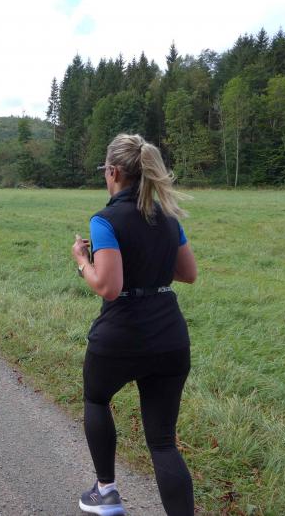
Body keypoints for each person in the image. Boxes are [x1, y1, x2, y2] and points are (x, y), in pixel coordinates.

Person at [71, 133, 198, 516]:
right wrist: (148, 260)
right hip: (169, 337)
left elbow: (108, 287)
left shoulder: (105, 220)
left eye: (105, 171)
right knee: (163, 443)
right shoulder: (168, 218)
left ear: (113, 172)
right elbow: (188, 273)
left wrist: (83, 262)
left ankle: (106, 492)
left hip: (121, 336)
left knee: (96, 398)